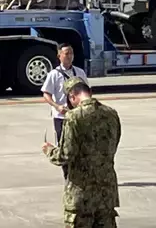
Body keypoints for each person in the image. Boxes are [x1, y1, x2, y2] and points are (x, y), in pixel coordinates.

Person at [42, 78, 122, 228]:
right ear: (89, 92)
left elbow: (65, 155)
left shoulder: (74, 117)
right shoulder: (111, 114)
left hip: (82, 192)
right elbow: (114, 144)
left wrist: (50, 151)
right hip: (106, 191)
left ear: (72, 96)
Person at [41, 43, 88, 179]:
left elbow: (87, 92)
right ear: (59, 56)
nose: (69, 56)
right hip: (61, 117)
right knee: (64, 147)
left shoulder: (80, 73)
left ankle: (80, 174)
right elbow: (46, 94)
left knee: (80, 145)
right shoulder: (54, 74)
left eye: (71, 53)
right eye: (66, 53)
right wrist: (57, 106)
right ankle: (67, 175)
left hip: (78, 115)